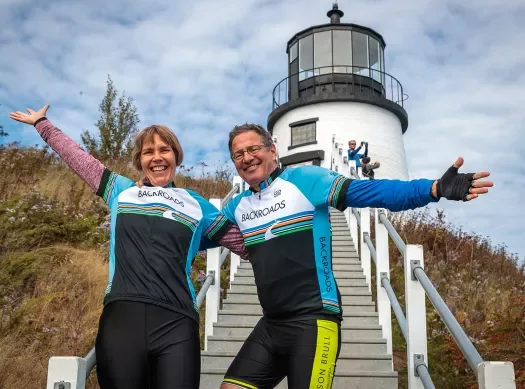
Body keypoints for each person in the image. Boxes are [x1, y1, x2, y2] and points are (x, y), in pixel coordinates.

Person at [219, 123, 493, 389]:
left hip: (314, 320)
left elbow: (372, 192)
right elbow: (198, 232)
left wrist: (432, 189)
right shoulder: (238, 206)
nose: (247, 158)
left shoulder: (305, 180)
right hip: (271, 323)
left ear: (272, 151)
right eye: (238, 154)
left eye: (253, 148)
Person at [8, 104, 248, 389]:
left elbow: (244, 244)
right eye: (148, 152)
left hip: (177, 325)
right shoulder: (121, 191)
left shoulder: (196, 204)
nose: (157, 157)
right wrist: (43, 124)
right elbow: (78, 159)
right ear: (139, 160)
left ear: (176, 156)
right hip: (122, 322)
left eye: (164, 150)